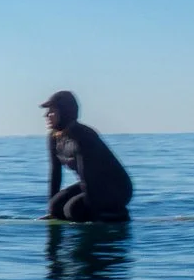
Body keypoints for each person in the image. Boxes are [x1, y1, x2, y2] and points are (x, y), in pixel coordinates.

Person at [43, 90, 131, 222]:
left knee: (72, 210)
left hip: (117, 189)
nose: (46, 115)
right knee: (56, 206)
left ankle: (118, 214)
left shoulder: (83, 136)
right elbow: (55, 173)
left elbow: (88, 176)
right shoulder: (54, 138)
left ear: (65, 111)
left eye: (52, 111)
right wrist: (52, 213)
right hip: (94, 185)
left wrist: (94, 215)